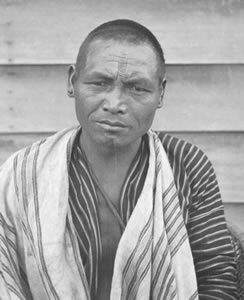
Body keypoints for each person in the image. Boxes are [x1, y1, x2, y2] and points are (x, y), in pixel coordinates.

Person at [0, 19, 238, 300]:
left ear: (160, 93)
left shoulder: (185, 165)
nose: (114, 103)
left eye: (137, 88)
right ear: (72, 81)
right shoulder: (23, 173)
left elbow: (216, 279)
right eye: (99, 82)